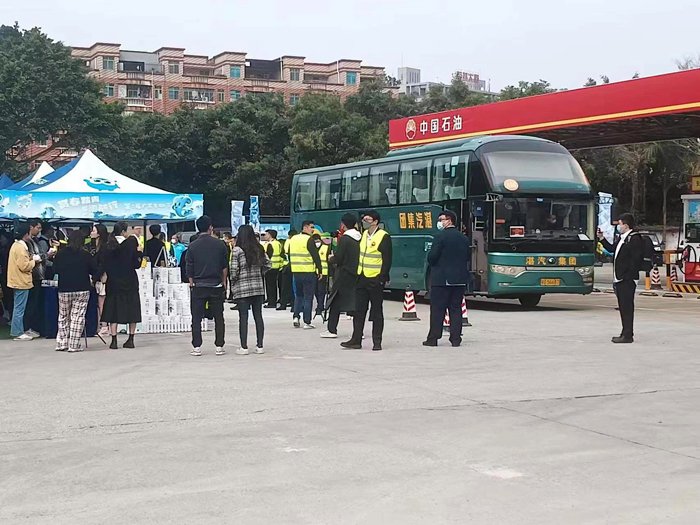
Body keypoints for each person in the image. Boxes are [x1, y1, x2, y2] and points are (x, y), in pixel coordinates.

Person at [341, 210, 392, 351]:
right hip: (361, 277)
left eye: (368, 220)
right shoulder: (364, 235)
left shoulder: (383, 236)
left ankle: (377, 342)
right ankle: (356, 340)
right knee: (358, 311)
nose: (365, 222)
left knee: (376, 312)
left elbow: (387, 259)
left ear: (375, 222)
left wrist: (382, 277)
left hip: (375, 279)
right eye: (364, 220)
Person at [423, 210, 471, 347]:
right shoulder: (464, 238)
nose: (439, 222)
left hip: (441, 279)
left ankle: (433, 338)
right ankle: (455, 339)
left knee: (438, 310)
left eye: (441, 220)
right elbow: (467, 257)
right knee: (456, 309)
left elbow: (433, 256)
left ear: (449, 220)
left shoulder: (440, 236)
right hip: (459, 279)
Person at [186, 216, 229, 356]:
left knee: (196, 317)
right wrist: (224, 282)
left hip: (198, 285)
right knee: (218, 317)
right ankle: (219, 345)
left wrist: (191, 283)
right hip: (216, 285)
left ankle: (197, 346)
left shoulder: (192, 246)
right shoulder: (220, 244)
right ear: (210, 227)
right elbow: (224, 266)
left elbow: (189, 267)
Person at [597, 213, 643, 343]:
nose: (619, 227)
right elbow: (612, 249)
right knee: (623, 307)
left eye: (620, 224)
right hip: (620, 278)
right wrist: (601, 238)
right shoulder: (622, 238)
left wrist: (628, 276)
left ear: (626, 225)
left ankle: (628, 335)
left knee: (627, 307)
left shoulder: (634, 238)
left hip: (626, 279)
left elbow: (636, 259)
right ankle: (625, 332)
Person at [53, 231, 99, 352]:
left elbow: (55, 269)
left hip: (64, 288)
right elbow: (94, 270)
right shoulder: (85, 255)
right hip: (82, 288)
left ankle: (62, 343)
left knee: (63, 316)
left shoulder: (61, 254)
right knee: (77, 317)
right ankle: (74, 345)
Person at [230, 225, 271, 355]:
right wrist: (259, 273)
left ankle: (244, 347)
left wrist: (234, 282)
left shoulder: (237, 250)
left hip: (242, 288)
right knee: (258, 316)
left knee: (243, 318)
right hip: (258, 288)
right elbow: (268, 264)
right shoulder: (259, 248)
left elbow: (233, 270)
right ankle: (260, 346)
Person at [101, 222, 143, 349]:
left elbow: (103, 263)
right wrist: (139, 253)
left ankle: (114, 340)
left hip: (113, 282)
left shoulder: (108, 245)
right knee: (132, 310)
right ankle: (131, 339)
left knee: (113, 310)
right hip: (130, 281)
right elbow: (136, 264)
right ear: (124, 231)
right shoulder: (131, 243)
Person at [320, 214, 360, 339]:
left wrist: (331, 258)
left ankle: (332, 329)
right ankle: (359, 331)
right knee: (355, 302)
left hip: (343, 274)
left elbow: (339, 258)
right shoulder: (360, 237)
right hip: (356, 273)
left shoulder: (345, 239)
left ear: (343, 224)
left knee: (335, 301)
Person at [7, 224, 40, 341]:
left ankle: (18, 331)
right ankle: (18, 332)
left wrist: (30, 259)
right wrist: (34, 261)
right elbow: (24, 266)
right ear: (26, 234)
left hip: (16, 280)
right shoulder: (21, 248)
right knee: (19, 308)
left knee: (18, 307)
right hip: (21, 281)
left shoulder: (15, 245)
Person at [288, 220, 322, 329]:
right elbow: (315, 256)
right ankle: (307, 321)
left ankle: (296, 317)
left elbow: (289, 253)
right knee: (308, 297)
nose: (313, 230)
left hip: (296, 272)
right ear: (305, 227)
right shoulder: (309, 240)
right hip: (308, 272)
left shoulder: (293, 239)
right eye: (311, 227)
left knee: (299, 296)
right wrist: (320, 270)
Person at [24, 220, 48, 338]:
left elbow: (40, 255)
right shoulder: (26, 242)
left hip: (40, 276)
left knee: (36, 303)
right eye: (38, 228)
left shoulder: (36, 241)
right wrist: (46, 255)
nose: (39, 230)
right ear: (31, 227)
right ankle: (26, 328)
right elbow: (32, 257)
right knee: (30, 303)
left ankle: (34, 327)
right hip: (31, 276)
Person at [91, 223, 110, 336]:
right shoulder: (97, 246)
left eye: (93, 231)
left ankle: (104, 325)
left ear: (99, 234)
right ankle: (102, 324)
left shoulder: (103, 247)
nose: (91, 233)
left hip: (102, 278)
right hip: (99, 277)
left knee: (102, 301)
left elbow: (103, 264)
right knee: (100, 302)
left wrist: (95, 277)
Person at [264, 229, 284, 309]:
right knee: (274, 286)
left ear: (270, 235)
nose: (265, 236)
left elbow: (267, 257)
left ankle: (271, 302)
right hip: (277, 266)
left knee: (270, 286)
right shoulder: (278, 243)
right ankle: (275, 300)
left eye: (266, 234)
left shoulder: (269, 244)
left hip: (270, 267)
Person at [278, 229, 297, 310]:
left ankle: (283, 304)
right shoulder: (296, 242)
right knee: (293, 287)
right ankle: (293, 304)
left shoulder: (287, 242)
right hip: (295, 266)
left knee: (285, 287)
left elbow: (283, 253)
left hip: (286, 266)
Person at [313, 233, 331, 317]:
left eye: (318, 241)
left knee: (321, 290)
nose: (317, 243)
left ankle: (320, 306)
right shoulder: (311, 248)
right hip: (313, 272)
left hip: (323, 272)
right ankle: (319, 304)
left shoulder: (326, 248)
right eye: (315, 242)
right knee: (315, 290)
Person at [0, 230, 13, 321]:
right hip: (5, 276)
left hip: (7, 276)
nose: (1, 240)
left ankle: (9, 314)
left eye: (2, 238)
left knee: (9, 296)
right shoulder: (3, 249)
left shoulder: (8, 250)